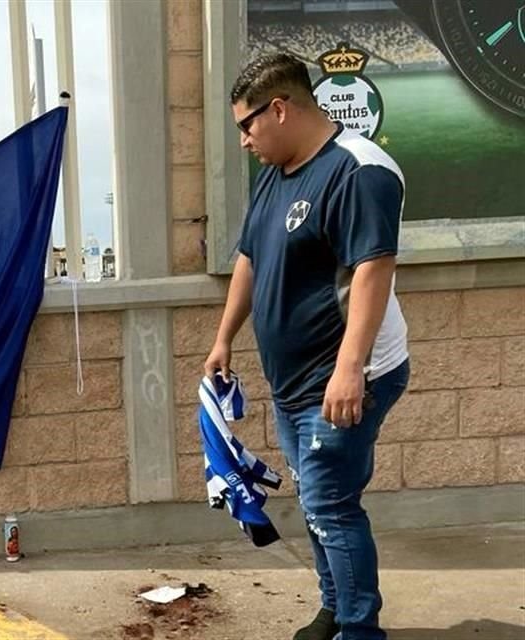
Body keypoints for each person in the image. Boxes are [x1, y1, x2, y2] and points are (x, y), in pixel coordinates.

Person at [203, 53, 410, 640]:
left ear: (281, 109)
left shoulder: (359, 170)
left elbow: (373, 271)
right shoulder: (277, 171)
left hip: (345, 376)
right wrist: (224, 339)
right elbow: (249, 257)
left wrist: (350, 372)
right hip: (294, 382)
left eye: (247, 125)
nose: (243, 140)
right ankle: (333, 609)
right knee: (316, 500)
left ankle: (359, 629)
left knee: (330, 505)